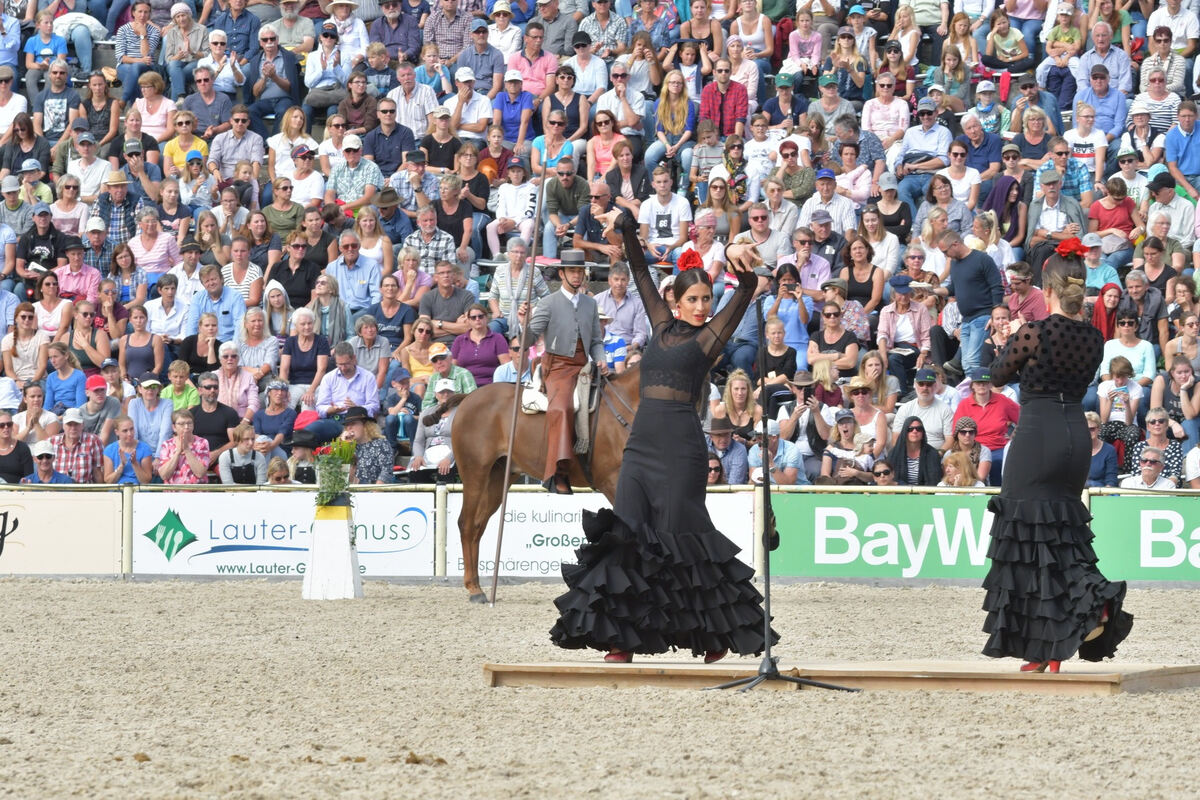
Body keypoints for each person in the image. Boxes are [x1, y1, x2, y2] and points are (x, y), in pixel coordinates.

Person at [550, 213, 773, 663]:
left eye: (706, 298)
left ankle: (711, 636)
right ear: (675, 299)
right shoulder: (659, 321)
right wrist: (627, 227)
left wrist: (736, 261)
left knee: (681, 536)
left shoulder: (710, 336)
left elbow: (746, 292)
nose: (701, 306)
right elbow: (637, 268)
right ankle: (621, 640)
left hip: (681, 450)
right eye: (693, 298)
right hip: (641, 445)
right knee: (628, 533)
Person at [983, 252, 1133, 672]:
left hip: (1037, 435)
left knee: (1028, 540)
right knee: (1060, 536)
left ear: (1046, 288)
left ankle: (1095, 602)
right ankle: (1049, 647)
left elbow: (995, 375)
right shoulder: (1094, 340)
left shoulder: (1033, 332)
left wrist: (1008, 337)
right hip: (1075, 439)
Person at [522, 255, 606, 493]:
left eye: (580, 271)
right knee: (562, 408)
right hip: (557, 367)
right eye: (572, 271)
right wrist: (523, 322)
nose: (577, 275)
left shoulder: (590, 304)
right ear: (562, 274)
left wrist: (601, 359)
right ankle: (557, 472)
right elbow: (527, 339)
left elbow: (597, 341)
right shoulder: (548, 303)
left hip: (584, 366)